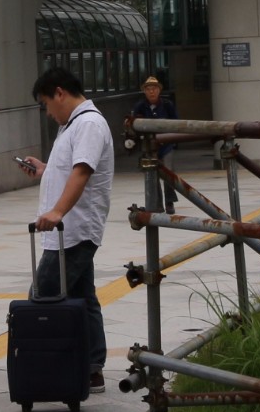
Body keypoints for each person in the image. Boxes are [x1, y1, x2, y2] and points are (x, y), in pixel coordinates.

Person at [23, 67, 115, 394]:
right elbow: (69, 169)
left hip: (71, 233)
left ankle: (44, 367)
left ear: (59, 93)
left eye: (47, 103)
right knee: (83, 298)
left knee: (42, 297)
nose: (48, 112)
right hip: (69, 232)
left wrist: (58, 211)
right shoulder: (74, 124)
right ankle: (91, 369)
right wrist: (46, 170)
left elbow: (82, 171)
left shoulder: (88, 123)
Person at [131, 74, 178, 162]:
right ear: (144, 92)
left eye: (154, 89)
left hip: (166, 144)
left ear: (159, 90)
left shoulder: (168, 105)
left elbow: (175, 122)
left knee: (168, 169)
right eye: (148, 90)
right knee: (150, 170)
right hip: (148, 144)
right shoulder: (139, 106)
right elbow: (134, 124)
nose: (151, 92)